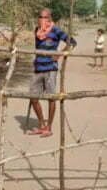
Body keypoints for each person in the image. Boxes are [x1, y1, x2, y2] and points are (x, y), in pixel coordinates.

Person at [29, 8, 76, 137]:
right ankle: (41, 124)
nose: (41, 20)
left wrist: (59, 54)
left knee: (51, 98)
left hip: (50, 69)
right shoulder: (36, 31)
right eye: (40, 17)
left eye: (44, 17)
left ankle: (48, 127)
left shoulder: (56, 31)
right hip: (38, 68)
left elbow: (72, 42)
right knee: (33, 97)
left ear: (49, 19)